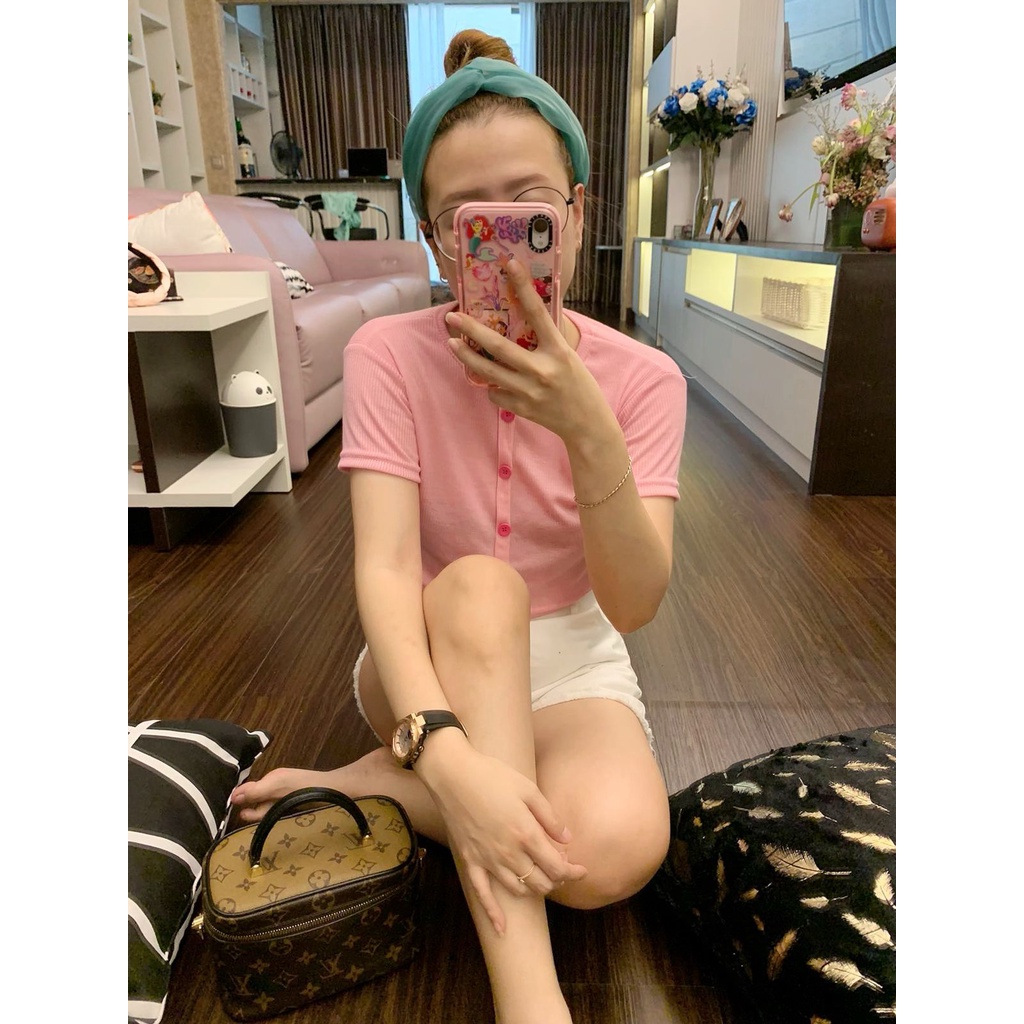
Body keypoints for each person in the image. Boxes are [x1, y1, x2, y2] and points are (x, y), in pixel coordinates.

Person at [230, 29, 687, 1024]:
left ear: (575, 214)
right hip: (430, 658)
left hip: (575, 660)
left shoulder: (645, 380)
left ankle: (379, 785)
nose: (501, 243)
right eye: (469, 220)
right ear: (438, 240)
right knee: (481, 584)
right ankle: (529, 994)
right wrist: (443, 749)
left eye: (530, 210)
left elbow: (633, 605)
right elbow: (389, 572)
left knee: (614, 851)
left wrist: (587, 428)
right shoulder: (388, 355)